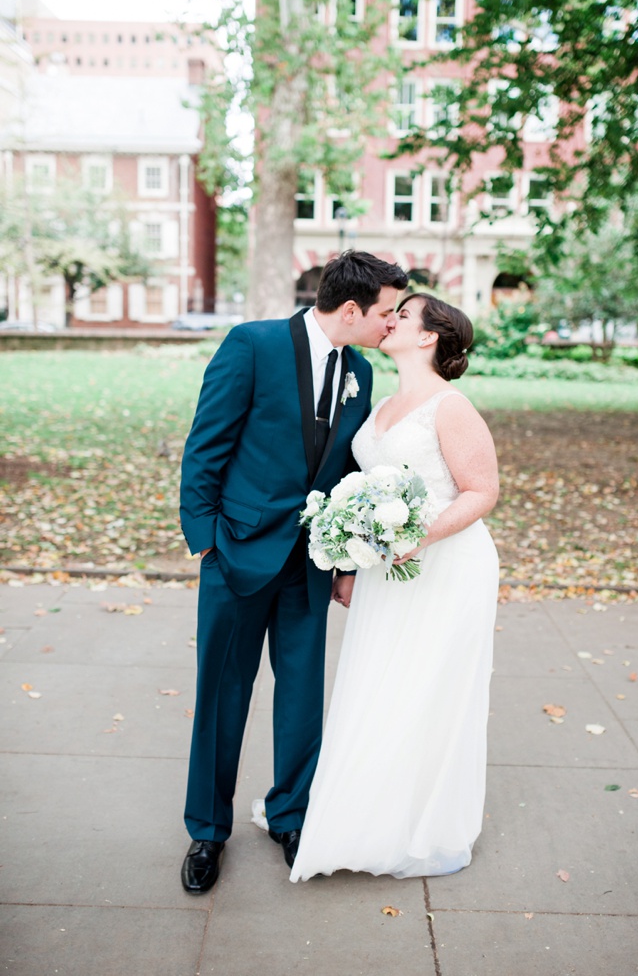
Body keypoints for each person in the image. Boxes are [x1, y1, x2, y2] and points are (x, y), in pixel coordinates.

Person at [178, 250, 406, 893]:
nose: (391, 325)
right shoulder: (253, 345)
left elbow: (344, 474)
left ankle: (292, 817)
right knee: (222, 698)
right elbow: (207, 444)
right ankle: (206, 831)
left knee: (303, 698)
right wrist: (204, 542)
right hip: (236, 554)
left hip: (311, 561)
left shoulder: (359, 369)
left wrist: (345, 559)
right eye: (387, 313)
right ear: (354, 309)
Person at [287, 293, 500, 881]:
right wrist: (350, 557)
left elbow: (481, 492)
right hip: (386, 565)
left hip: (444, 563)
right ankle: (363, 812)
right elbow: (360, 484)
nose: (390, 320)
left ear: (429, 337)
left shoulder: (451, 408)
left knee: (425, 688)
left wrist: (416, 537)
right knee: (375, 681)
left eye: (403, 316)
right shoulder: (381, 399)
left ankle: (416, 824)